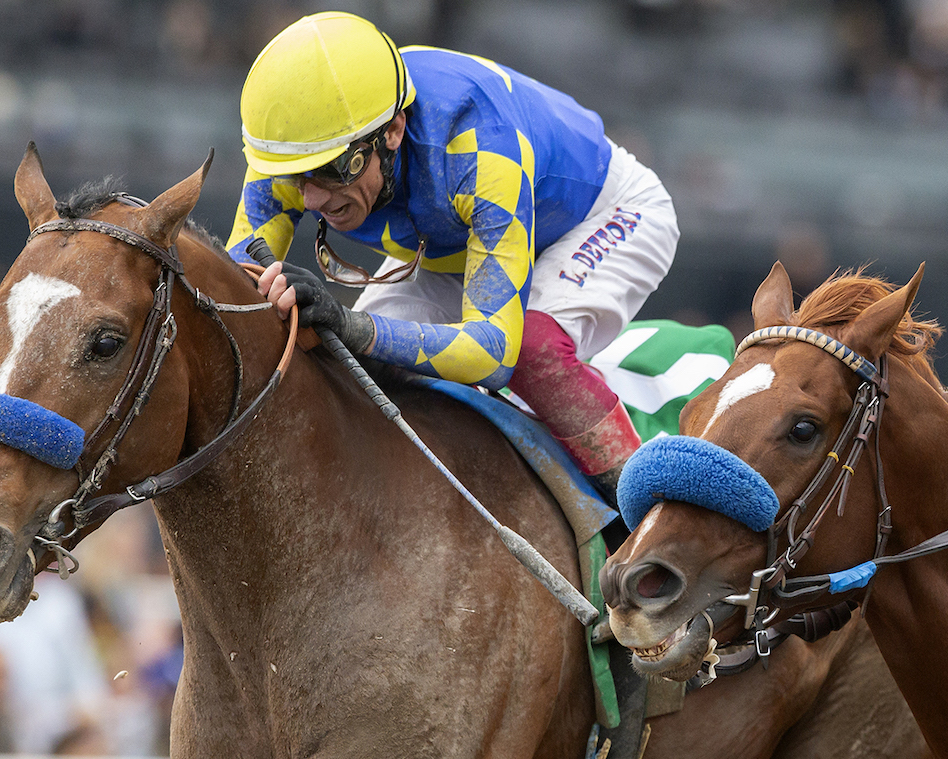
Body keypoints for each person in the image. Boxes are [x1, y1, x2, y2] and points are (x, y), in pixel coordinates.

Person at [227, 11, 677, 504]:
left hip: (603, 214)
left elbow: (492, 354)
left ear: (393, 131)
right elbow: (235, 277)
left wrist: (348, 322)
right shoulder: (298, 150)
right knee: (354, 369)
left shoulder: (478, 147)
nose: (311, 199)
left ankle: (645, 514)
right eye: (298, 177)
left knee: (532, 348)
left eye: (333, 170)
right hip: (460, 242)